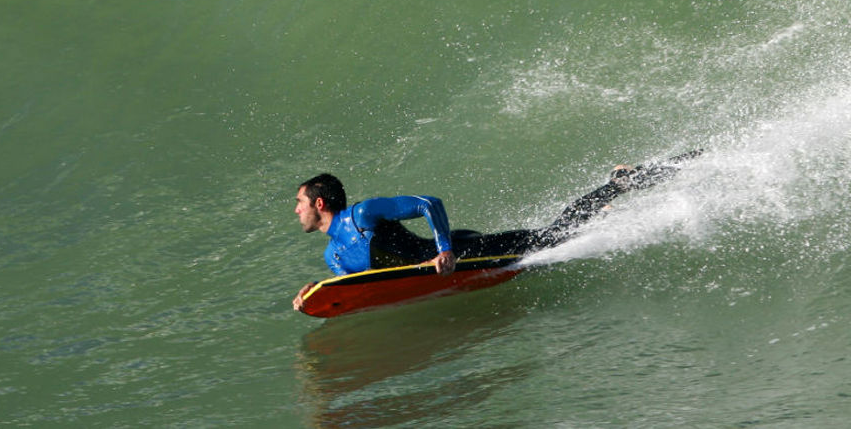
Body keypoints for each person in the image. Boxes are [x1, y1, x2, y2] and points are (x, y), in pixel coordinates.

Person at [292, 153, 699, 311]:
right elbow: (365, 289)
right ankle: (611, 196)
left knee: (555, 236)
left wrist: (444, 250)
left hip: (467, 253)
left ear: (320, 203)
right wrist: (317, 292)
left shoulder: (363, 215)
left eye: (300, 203)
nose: (296, 211)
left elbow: (428, 203)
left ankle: (618, 184)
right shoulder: (334, 258)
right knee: (555, 234)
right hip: (442, 265)